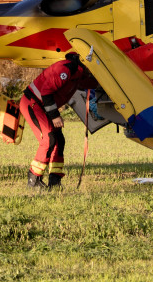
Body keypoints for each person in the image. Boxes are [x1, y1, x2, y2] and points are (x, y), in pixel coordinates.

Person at [20, 52, 99, 190]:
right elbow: (46, 92)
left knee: (59, 141)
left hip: (44, 105)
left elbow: (92, 83)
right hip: (33, 103)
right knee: (49, 139)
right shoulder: (65, 69)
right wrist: (55, 115)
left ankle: (54, 180)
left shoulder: (79, 73)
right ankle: (33, 179)